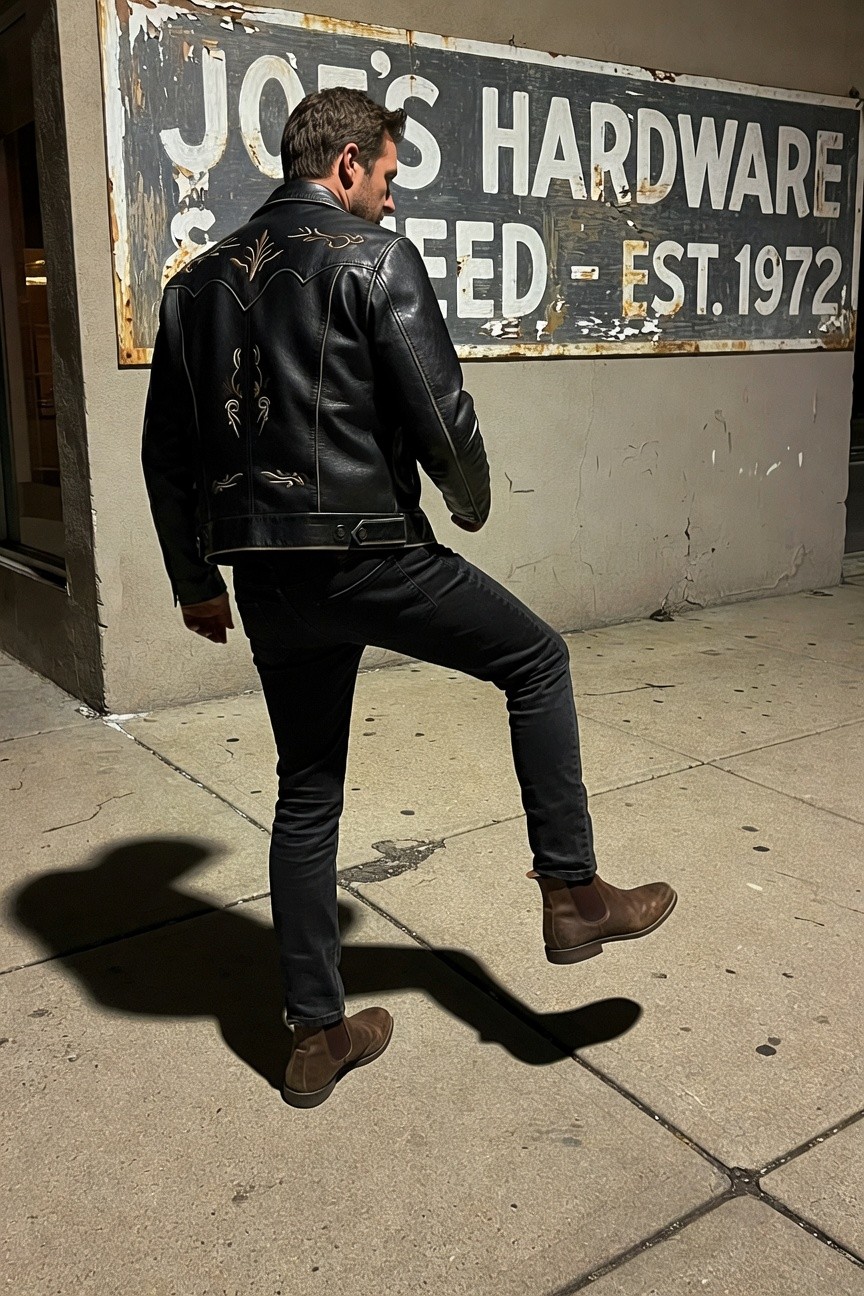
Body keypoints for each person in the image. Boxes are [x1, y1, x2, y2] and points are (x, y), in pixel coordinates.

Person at [142, 87, 676, 1109]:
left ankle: (314, 1035)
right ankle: (572, 894)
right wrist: (469, 506)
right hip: (375, 556)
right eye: (386, 176)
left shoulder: (194, 285)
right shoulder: (368, 259)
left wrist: (192, 578)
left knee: (307, 791)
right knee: (536, 660)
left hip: (270, 583)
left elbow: (165, 449)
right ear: (343, 165)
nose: (390, 199)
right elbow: (442, 407)